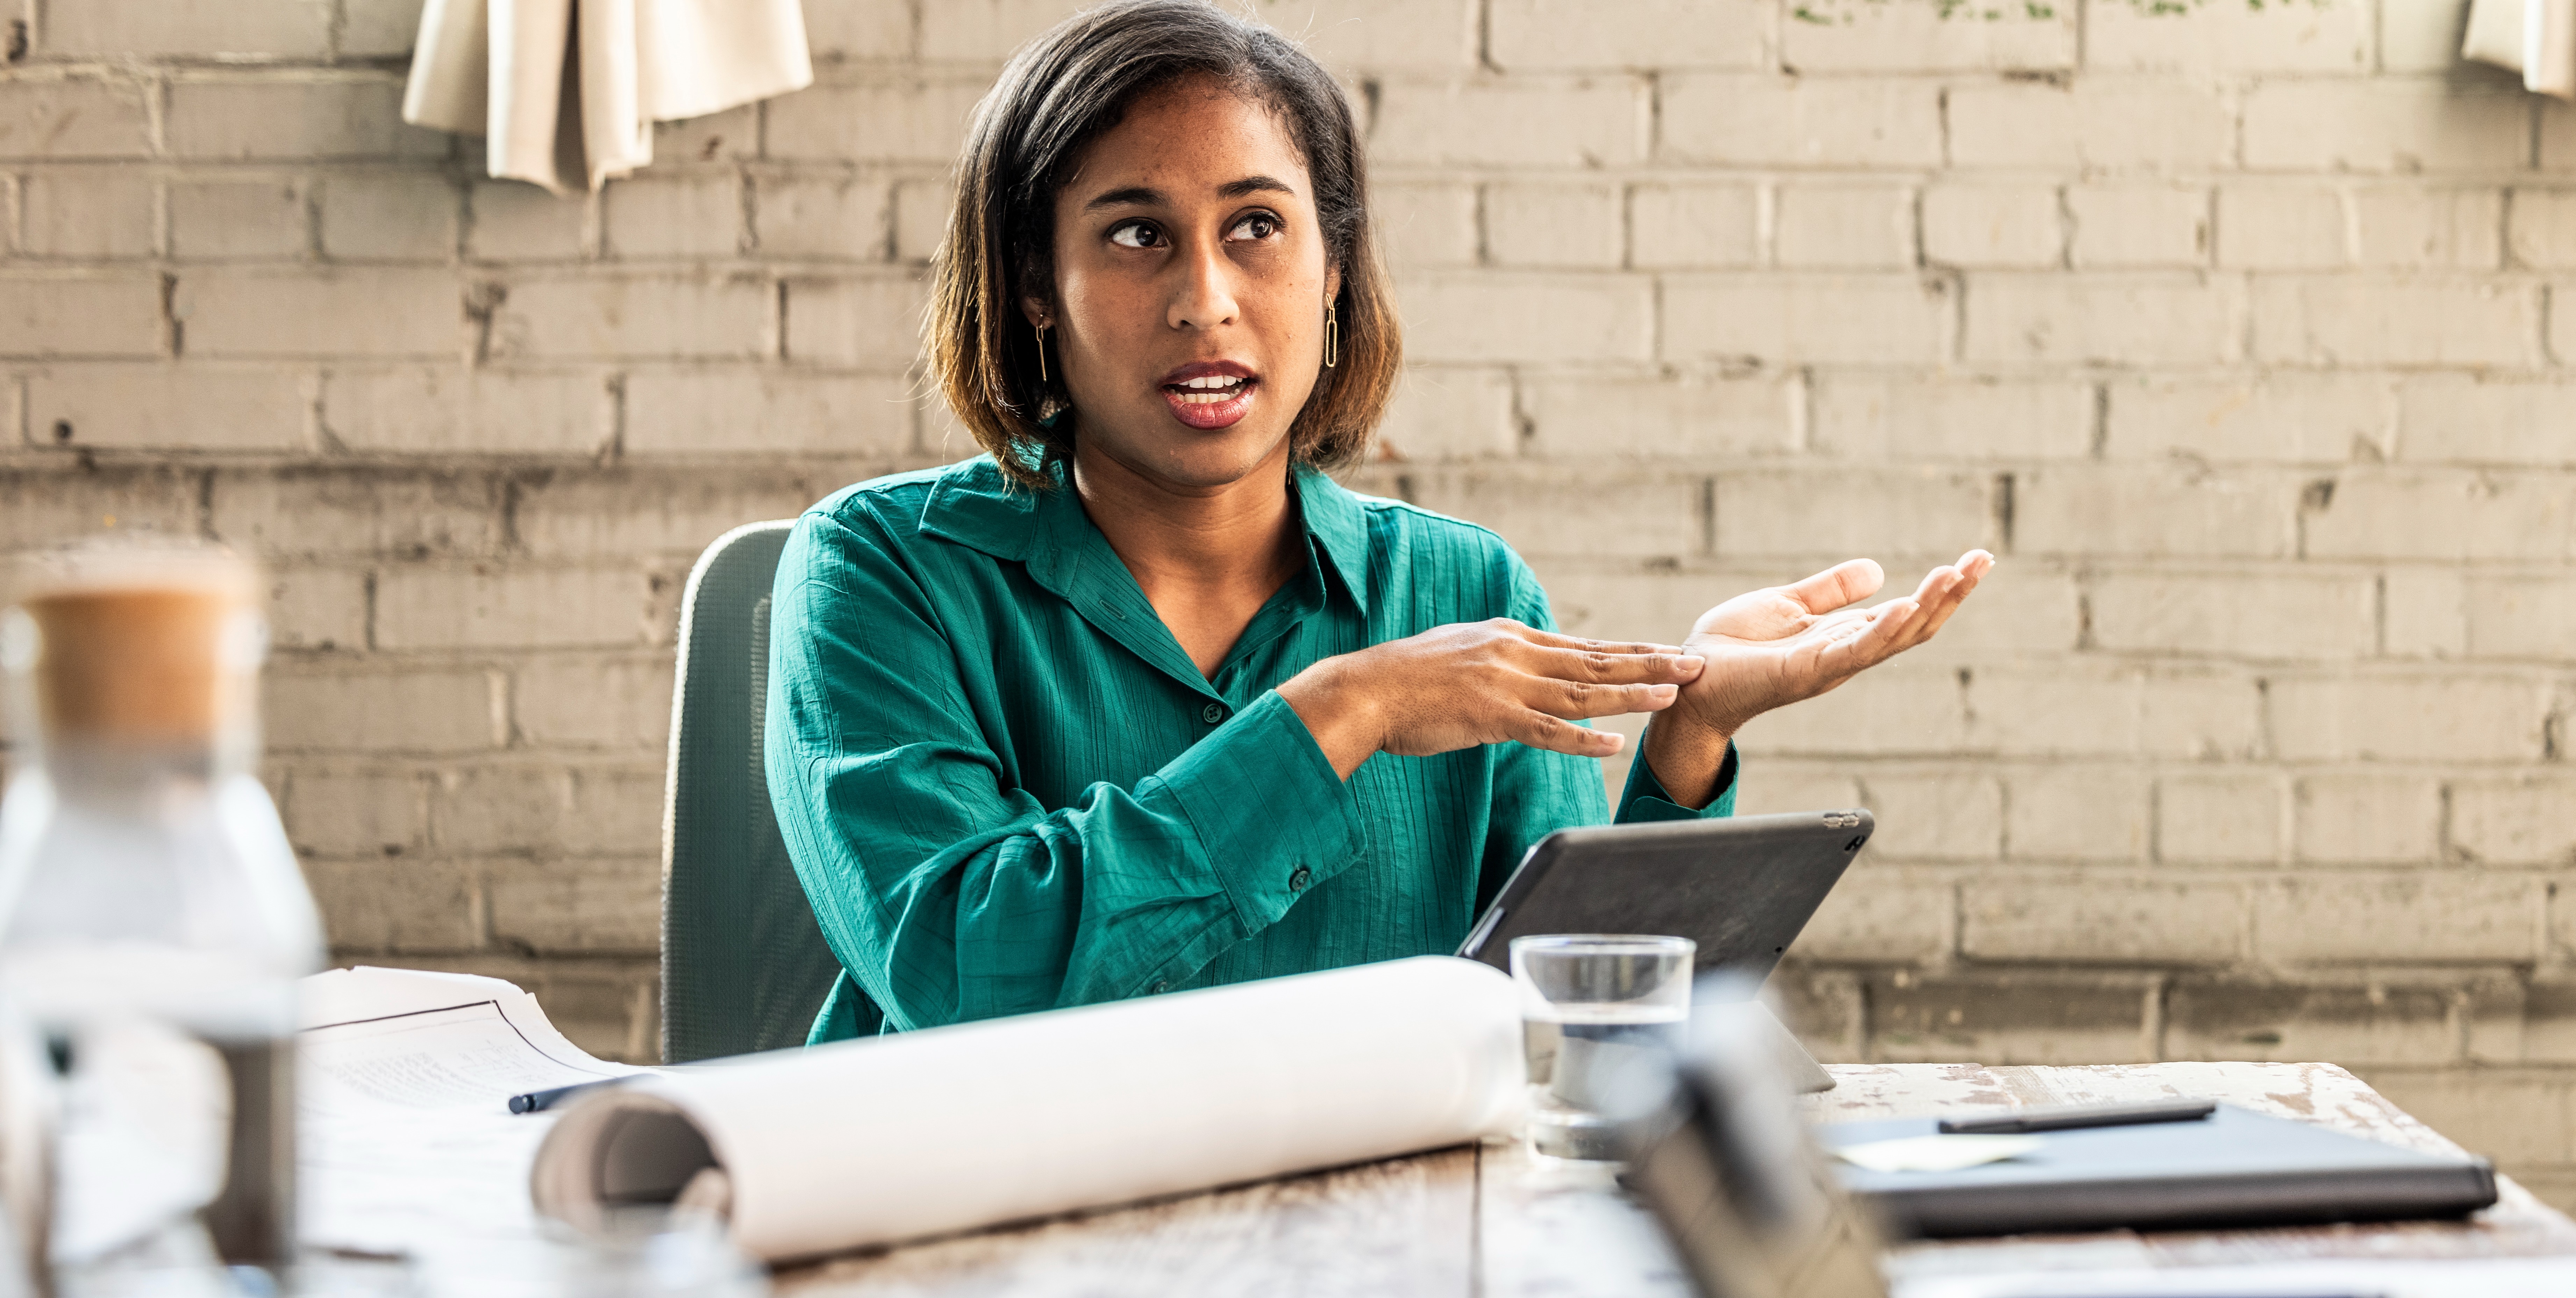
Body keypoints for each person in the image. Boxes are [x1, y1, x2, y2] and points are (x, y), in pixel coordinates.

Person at [762, 0, 1993, 1041]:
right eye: (1137, 235)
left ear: (1334, 269)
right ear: (1036, 282)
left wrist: (1686, 743)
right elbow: (965, 972)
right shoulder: (877, 572)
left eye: (1257, 228)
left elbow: (1568, 1040)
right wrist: (1340, 713)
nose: (1206, 299)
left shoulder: (1469, 595)